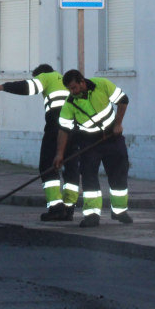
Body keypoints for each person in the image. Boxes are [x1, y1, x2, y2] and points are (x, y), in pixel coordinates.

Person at [0, 64, 78, 221]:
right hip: (75, 126)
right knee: (71, 166)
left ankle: (56, 208)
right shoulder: (65, 80)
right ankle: (69, 208)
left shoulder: (47, 76)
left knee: (47, 166)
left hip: (56, 125)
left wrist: (2, 87)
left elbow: (28, 87)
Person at [53, 69, 131, 228]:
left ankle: (119, 210)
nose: (72, 92)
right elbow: (64, 130)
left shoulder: (102, 85)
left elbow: (123, 100)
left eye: (74, 87)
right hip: (89, 142)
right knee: (88, 176)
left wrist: (118, 124)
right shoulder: (70, 103)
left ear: (82, 81)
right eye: (69, 89)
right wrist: (59, 154)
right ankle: (92, 215)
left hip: (112, 137)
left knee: (119, 172)